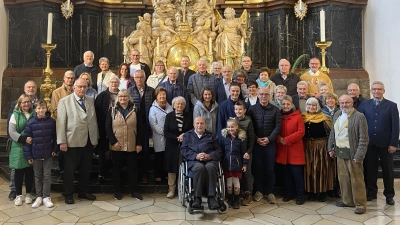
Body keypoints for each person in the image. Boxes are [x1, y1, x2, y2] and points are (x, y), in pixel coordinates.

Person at [57, 78, 99, 204]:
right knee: (69, 170)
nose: (82, 89)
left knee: (86, 168)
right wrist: (62, 141)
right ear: (74, 87)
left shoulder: (90, 100)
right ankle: (68, 194)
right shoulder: (64, 101)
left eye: (84, 87)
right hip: (71, 141)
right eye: (79, 87)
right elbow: (60, 123)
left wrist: (95, 137)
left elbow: (93, 120)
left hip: (88, 140)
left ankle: (83, 191)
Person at [358, 81, 399, 205]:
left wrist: (393, 143)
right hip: (369, 144)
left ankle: (389, 195)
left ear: (383, 91)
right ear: (371, 91)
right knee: (370, 170)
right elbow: (361, 123)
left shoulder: (391, 106)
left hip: (386, 144)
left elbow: (395, 126)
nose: (377, 91)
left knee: (388, 170)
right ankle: (371, 192)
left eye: (379, 89)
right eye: (374, 89)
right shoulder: (365, 104)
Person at [328, 94, 369, 214]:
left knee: (357, 180)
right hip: (340, 152)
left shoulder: (359, 116)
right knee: (343, 178)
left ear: (352, 104)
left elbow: (364, 138)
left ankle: (360, 204)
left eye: (347, 103)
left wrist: (359, 155)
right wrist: (330, 147)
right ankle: (347, 200)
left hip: (353, 154)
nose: (344, 105)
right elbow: (333, 133)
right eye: (341, 103)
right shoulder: (337, 114)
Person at [106, 89, 143, 200]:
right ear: (118, 98)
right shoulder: (112, 110)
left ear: (128, 98)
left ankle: (134, 191)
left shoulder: (135, 110)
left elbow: (140, 128)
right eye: (121, 96)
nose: (123, 98)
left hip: (132, 144)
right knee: (117, 168)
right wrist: (113, 142)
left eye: (125, 96)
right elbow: (107, 127)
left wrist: (139, 143)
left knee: (133, 169)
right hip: (117, 145)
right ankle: (117, 191)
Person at [247, 87, 281, 203]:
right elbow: (249, 127)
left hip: (270, 144)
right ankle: (259, 191)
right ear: (258, 95)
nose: (263, 96)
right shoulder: (252, 109)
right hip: (257, 144)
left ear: (269, 96)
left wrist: (269, 139)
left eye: (266, 94)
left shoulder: (275, 110)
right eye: (261, 94)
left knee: (270, 168)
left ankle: (270, 192)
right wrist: (256, 139)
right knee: (258, 168)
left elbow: (278, 126)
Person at [180, 117, 222, 210]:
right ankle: (197, 198)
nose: (199, 125)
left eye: (202, 123)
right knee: (200, 168)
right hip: (194, 161)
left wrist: (209, 156)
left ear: (205, 125)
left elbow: (218, 151)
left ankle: (211, 198)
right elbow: (183, 150)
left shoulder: (211, 135)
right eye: (197, 123)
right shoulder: (187, 135)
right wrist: (196, 156)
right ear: (194, 125)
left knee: (210, 167)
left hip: (209, 160)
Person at [23, 99, 57, 208]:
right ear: (35, 109)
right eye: (38, 108)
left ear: (46, 109)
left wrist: (55, 150)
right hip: (35, 153)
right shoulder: (30, 123)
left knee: (47, 175)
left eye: (43, 108)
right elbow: (27, 140)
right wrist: (28, 155)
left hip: (48, 153)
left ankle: (46, 196)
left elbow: (56, 138)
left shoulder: (51, 122)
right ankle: (38, 196)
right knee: (37, 176)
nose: (41, 110)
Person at [7, 80, 38, 201]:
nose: (26, 104)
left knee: (30, 171)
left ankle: (30, 193)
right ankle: (15, 191)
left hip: (32, 145)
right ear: (20, 103)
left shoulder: (35, 110)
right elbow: (11, 129)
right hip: (19, 144)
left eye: (33, 87)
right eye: (28, 87)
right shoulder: (15, 112)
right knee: (17, 170)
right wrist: (20, 138)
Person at [275, 95, 306, 205]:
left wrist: (286, 140)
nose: (285, 106)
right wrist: (279, 138)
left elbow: (301, 132)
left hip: (294, 148)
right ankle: (288, 193)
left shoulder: (298, 116)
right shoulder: (278, 116)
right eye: (283, 104)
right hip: (283, 149)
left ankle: (300, 195)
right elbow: (275, 129)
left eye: (288, 104)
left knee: (296, 173)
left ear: (292, 104)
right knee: (286, 173)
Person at [301, 97, 333, 202]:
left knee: (321, 169)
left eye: (314, 105)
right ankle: (311, 191)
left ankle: (322, 192)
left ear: (317, 106)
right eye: (309, 105)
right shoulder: (303, 117)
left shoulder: (324, 118)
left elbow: (330, 134)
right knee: (309, 169)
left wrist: (330, 148)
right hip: (307, 147)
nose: (311, 107)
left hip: (320, 147)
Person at [128, 70, 155, 183]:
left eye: (141, 77)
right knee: (133, 151)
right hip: (133, 125)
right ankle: (133, 175)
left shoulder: (151, 91)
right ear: (134, 79)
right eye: (137, 77)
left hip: (147, 124)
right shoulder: (129, 91)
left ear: (145, 78)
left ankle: (144, 174)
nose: (139, 79)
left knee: (146, 151)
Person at [164, 97, 193, 198]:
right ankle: (171, 189)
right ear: (174, 105)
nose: (180, 106)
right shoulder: (169, 116)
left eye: (182, 104)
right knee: (172, 168)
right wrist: (177, 138)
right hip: (172, 145)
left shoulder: (189, 116)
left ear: (185, 106)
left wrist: (184, 136)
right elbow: (166, 132)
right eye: (178, 104)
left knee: (183, 166)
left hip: (185, 145)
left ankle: (182, 188)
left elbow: (192, 130)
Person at [94, 75, 120, 184]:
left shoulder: (122, 95)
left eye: (116, 82)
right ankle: (102, 173)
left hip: (118, 129)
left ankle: (115, 174)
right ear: (108, 84)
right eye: (112, 82)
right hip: (104, 128)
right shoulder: (102, 96)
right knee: (103, 152)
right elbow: (97, 112)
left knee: (116, 152)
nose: (114, 84)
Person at [221, 118, 248, 209]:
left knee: (236, 183)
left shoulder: (241, 139)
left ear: (236, 127)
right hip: (227, 164)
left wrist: (245, 164)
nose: (230, 129)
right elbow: (222, 151)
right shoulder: (224, 138)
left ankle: (236, 200)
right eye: (228, 127)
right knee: (229, 184)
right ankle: (229, 199)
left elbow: (244, 153)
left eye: (232, 127)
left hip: (237, 164)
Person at [149, 87, 173, 183]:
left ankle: (166, 174)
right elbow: (153, 123)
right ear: (156, 96)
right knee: (159, 156)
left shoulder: (170, 107)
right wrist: (164, 133)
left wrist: (169, 133)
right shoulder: (153, 108)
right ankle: (158, 175)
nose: (162, 96)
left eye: (163, 94)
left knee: (167, 156)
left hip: (169, 137)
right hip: (159, 136)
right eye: (160, 95)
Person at [233, 101, 255, 206]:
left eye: (240, 109)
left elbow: (251, 138)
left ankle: (248, 193)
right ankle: (240, 192)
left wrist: (248, 152)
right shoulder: (233, 121)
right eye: (236, 109)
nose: (238, 111)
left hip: (246, 152)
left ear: (244, 110)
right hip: (236, 152)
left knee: (247, 172)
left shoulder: (248, 122)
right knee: (238, 172)